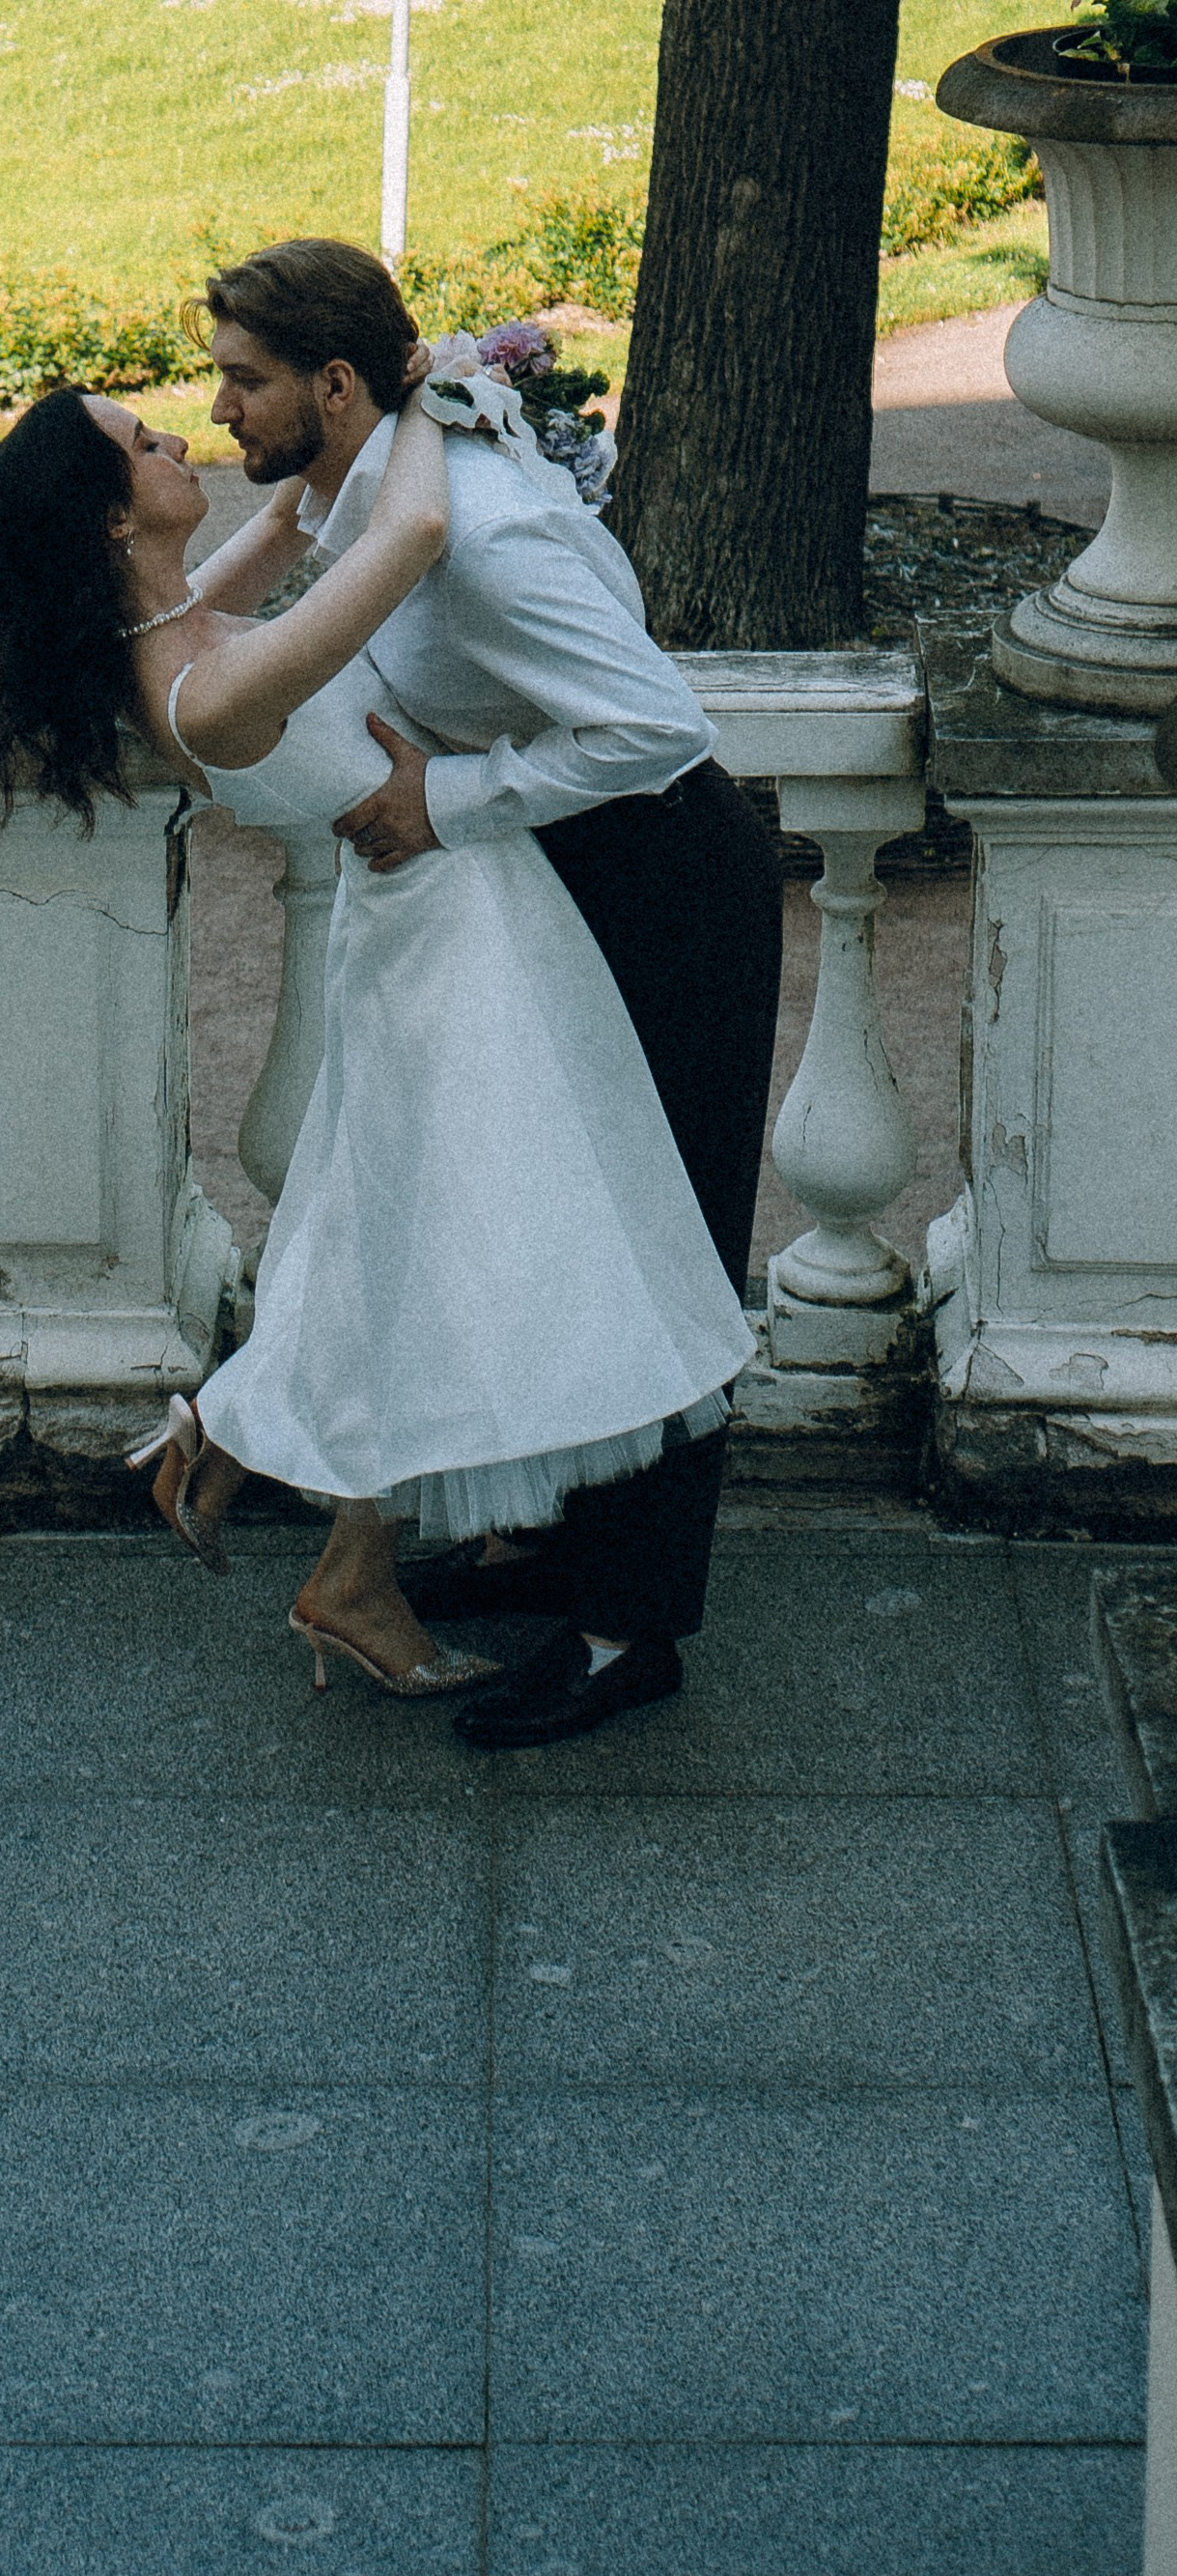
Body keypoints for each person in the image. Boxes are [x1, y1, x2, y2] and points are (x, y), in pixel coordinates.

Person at [0, 338, 757, 1722]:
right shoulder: (212, 685)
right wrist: (431, 396)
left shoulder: (181, 620)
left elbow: (292, 520)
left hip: (451, 932)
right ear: (107, 517)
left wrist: (366, 420)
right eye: (144, 444)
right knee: (512, 1253)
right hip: (458, 949)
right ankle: (320, 1500)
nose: (184, 438)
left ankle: (292, 1483)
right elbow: (415, 529)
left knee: (410, 1247)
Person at [190, 238, 783, 1746]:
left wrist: (450, 798)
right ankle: (561, 1540)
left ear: (335, 384)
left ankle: (623, 1629)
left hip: (663, 889)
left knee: (651, 1240)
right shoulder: (384, 482)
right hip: (559, 881)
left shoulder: (484, 524)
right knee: (543, 1224)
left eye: (245, 384)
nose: (220, 413)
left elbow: (655, 720)